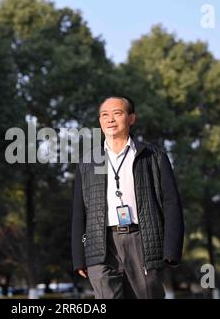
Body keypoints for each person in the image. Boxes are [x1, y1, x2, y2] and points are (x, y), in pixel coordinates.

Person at [71, 96, 184, 299]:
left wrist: (171, 249)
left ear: (131, 118)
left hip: (142, 240)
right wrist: (79, 256)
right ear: (99, 121)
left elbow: (171, 203)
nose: (110, 119)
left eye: (117, 113)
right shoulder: (87, 162)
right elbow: (79, 212)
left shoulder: (154, 156)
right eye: (104, 115)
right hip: (101, 245)